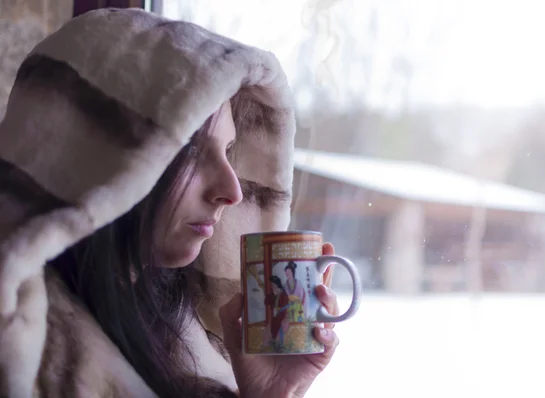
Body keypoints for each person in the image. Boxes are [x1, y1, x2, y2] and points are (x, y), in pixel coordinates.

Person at [0, 8, 340, 398]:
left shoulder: (180, 331)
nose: (233, 191)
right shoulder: (21, 353)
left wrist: (270, 391)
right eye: (191, 149)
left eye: (229, 150)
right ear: (93, 155)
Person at [264, 275, 291, 351]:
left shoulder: (283, 295)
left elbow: (284, 310)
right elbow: (266, 302)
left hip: (284, 317)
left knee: (275, 325)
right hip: (278, 316)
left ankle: (276, 343)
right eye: (271, 286)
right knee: (271, 325)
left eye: (273, 285)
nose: (272, 287)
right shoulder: (275, 295)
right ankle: (272, 342)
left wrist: (281, 319)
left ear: (276, 285)